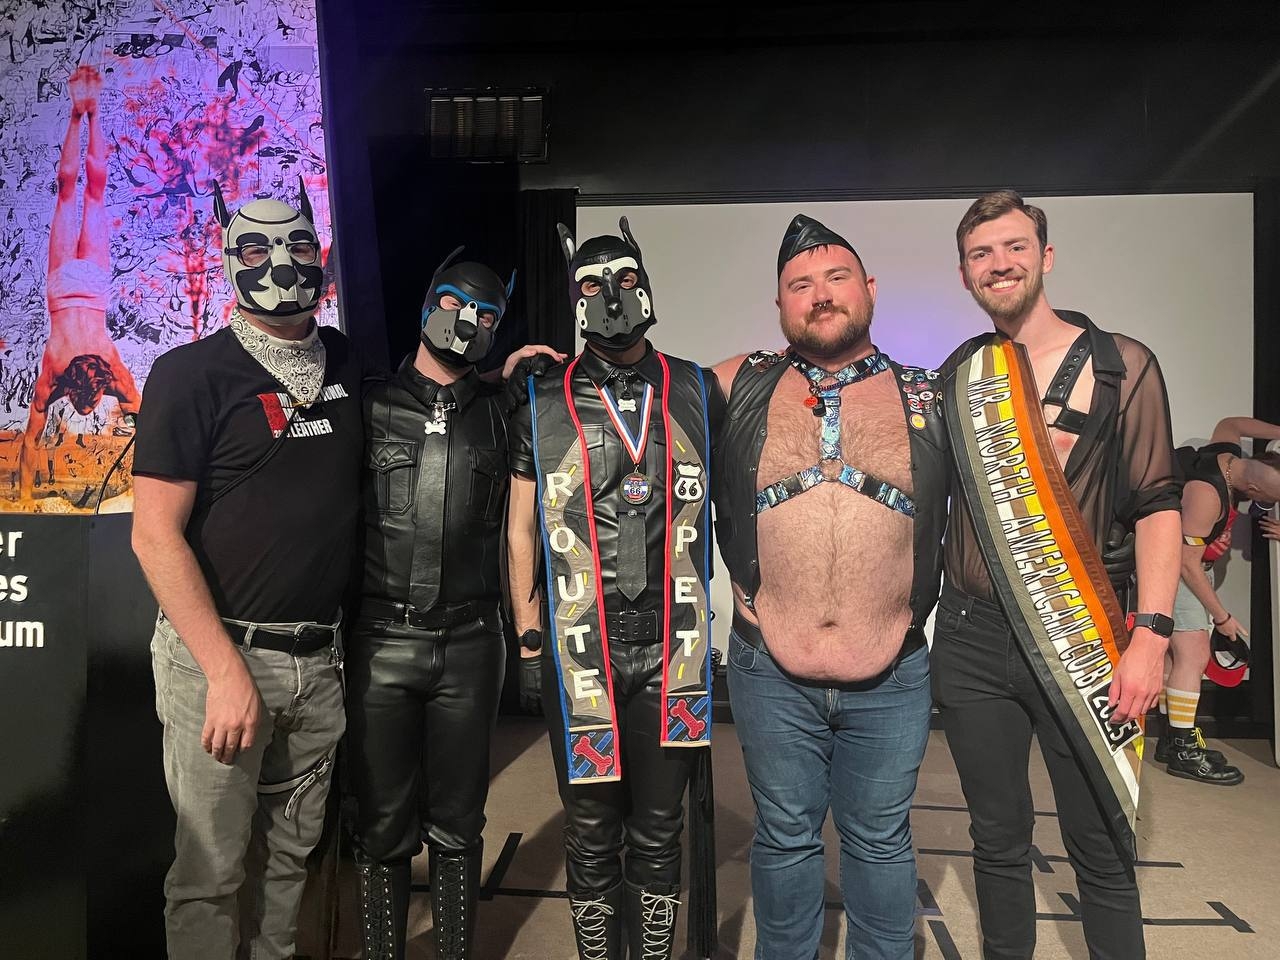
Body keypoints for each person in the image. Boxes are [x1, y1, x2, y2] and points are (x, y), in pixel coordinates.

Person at [935, 189, 1182, 960]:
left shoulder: (1123, 365)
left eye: (1014, 247)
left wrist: (1152, 638)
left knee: (1101, 846)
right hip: (973, 640)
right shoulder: (963, 372)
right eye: (981, 253)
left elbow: (1159, 506)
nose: (999, 263)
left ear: (1045, 256)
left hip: (1083, 635)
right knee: (997, 839)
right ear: (965, 273)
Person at [131, 180, 361, 960]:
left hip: (318, 662)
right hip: (221, 662)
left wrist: (514, 375)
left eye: (297, 244)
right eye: (256, 247)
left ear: (320, 253)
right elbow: (155, 537)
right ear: (230, 257)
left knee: (288, 867)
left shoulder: (347, 360)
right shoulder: (190, 373)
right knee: (211, 873)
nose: (281, 262)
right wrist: (224, 671)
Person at [711, 214, 948, 960]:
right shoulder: (736, 383)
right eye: (800, 284)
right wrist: (525, 378)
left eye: (836, 277)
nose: (820, 294)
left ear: (869, 288)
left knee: (880, 838)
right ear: (780, 304)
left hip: (894, 669)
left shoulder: (928, 396)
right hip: (768, 666)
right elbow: (634, 392)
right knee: (784, 837)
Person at [507, 218, 719, 960]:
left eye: (625, 280)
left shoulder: (696, 387)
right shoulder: (541, 397)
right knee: (592, 831)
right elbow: (520, 529)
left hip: (675, 650)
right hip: (580, 655)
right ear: (574, 300)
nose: (612, 298)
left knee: (660, 830)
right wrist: (530, 639)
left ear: (647, 285)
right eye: (592, 286)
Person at [345, 250, 521, 960]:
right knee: (381, 825)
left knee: (458, 823)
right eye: (454, 302)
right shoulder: (366, 404)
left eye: (487, 314)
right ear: (427, 303)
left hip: (471, 645)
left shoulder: (507, 413)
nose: (467, 320)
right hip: (380, 640)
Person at [25, 64, 140, 502]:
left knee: (81, 192)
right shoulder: (59, 372)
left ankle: (86, 113)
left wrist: (25, 497)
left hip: (86, 286)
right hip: (68, 287)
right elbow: (144, 418)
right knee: (80, 192)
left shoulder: (104, 370)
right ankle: (86, 113)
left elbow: (31, 439)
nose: (85, 410)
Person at [1161, 417, 1280, 783]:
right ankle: (1183, 751)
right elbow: (1187, 563)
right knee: (1194, 654)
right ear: (1254, 487)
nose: (1263, 505)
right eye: (1268, 498)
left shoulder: (1227, 453)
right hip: (1178, 572)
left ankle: (1170, 739)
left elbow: (1232, 423)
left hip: (1189, 569)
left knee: (1176, 657)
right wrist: (1222, 617)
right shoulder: (1208, 493)